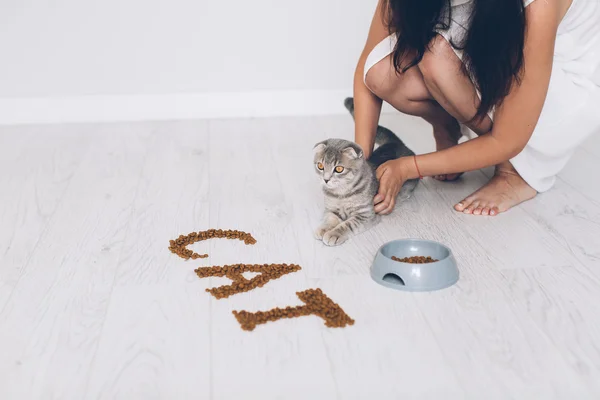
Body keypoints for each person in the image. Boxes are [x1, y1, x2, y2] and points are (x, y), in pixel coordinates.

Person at [354, 0, 600, 216]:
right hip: (495, 40)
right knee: (382, 73)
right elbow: (368, 63)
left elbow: (509, 140)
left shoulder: (540, 5)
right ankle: (446, 128)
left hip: (564, 79)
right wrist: (359, 164)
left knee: (439, 60)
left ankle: (514, 173)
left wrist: (410, 167)